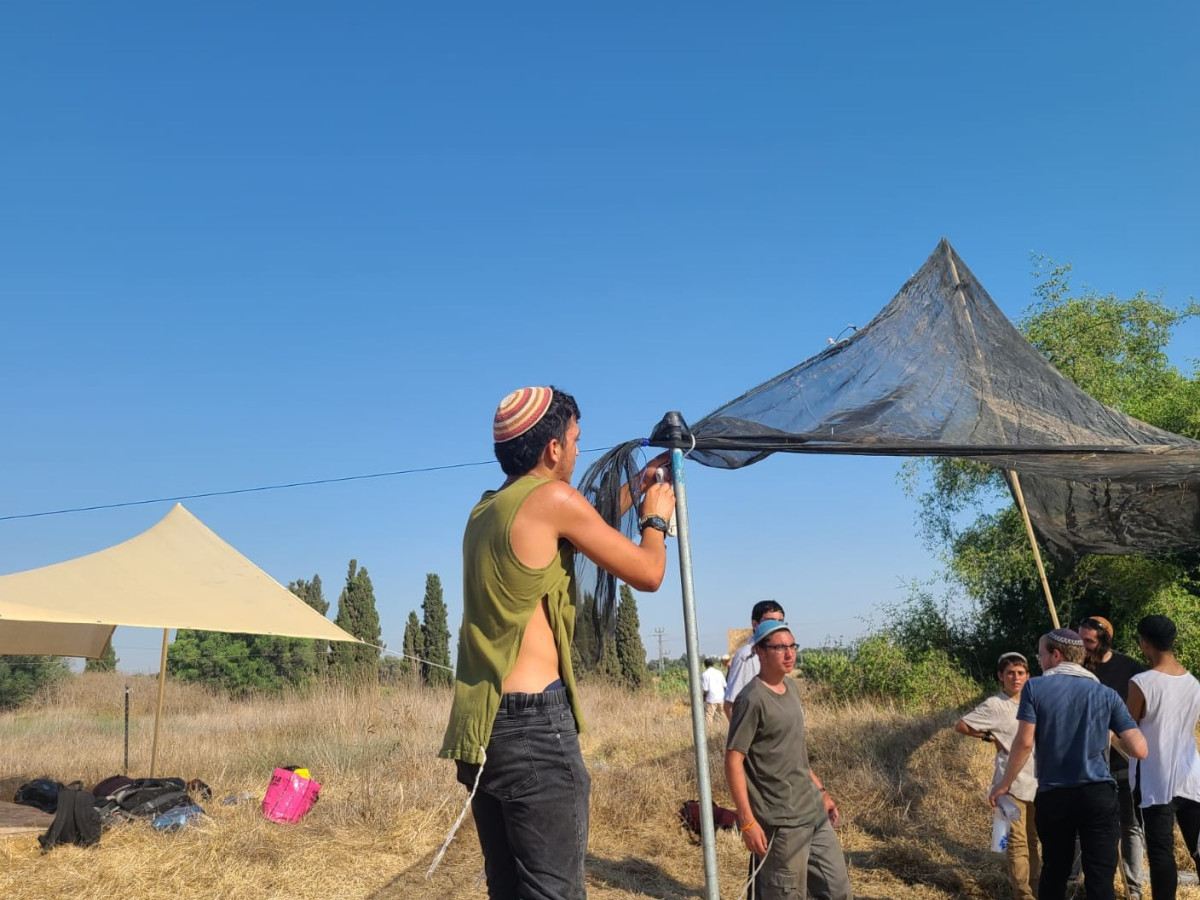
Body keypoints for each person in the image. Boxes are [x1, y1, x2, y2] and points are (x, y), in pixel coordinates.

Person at [439, 386, 676, 900]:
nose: (576, 450)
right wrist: (655, 515)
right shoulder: (553, 500)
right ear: (551, 449)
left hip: (486, 729)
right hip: (534, 730)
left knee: (510, 888)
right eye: (574, 438)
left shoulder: (487, 511)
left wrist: (638, 484)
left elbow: (576, 524)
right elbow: (649, 573)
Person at [990, 629, 1147, 900]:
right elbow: (1139, 749)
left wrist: (1004, 785)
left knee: (1055, 871)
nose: (1038, 661)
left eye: (1040, 654)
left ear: (1056, 654)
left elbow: (1025, 742)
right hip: (1098, 794)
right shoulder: (1106, 693)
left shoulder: (1035, 687)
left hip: (1055, 795)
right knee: (1100, 877)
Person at [725, 619, 853, 900]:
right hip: (781, 821)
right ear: (760, 651)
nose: (789, 653)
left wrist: (822, 792)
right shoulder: (752, 699)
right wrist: (747, 822)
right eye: (780, 647)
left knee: (837, 890)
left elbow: (796, 753)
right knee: (785, 894)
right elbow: (733, 760)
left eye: (792, 646)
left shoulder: (792, 688)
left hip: (813, 813)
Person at [1126, 615, 1200, 900]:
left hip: (1154, 779)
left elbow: (1127, 728)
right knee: (1196, 847)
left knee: (1160, 853)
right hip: (1190, 774)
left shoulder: (1142, 682)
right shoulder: (1193, 683)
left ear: (1145, 644)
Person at [955, 651, 1040, 900]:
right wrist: (989, 736)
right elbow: (962, 725)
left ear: (1028, 676)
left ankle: (1037, 888)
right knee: (1017, 842)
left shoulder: (1033, 701)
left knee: (1035, 840)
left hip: (1037, 780)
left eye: (1021, 673)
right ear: (1000, 676)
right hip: (1010, 783)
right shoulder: (995, 704)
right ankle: (1023, 894)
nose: (1016, 678)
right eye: (1011, 673)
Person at [1079, 615, 1147, 899]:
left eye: (1088, 641)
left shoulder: (1129, 667)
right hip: (1087, 762)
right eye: (1080, 639)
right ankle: (1078, 881)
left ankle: (1134, 888)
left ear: (1104, 639)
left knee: (1130, 825)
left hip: (1123, 761)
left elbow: (1144, 709)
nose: (1083, 645)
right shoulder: (1079, 669)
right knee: (1084, 825)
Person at [724, 600, 785, 721]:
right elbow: (731, 705)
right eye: (771, 621)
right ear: (755, 625)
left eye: (780, 622)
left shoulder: (777, 652)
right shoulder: (747, 656)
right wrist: (745, 737)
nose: (776, 627)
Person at [701, 657, 727, 725]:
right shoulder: (719, 673)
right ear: (713, 664)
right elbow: (725, 685)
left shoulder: (705, 674)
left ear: (705, 665)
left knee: (709, 717)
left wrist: (704, 698)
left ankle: (709, 732)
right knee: (723, 716)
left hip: (711, 699)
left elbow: (705, 689)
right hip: (721, 698)